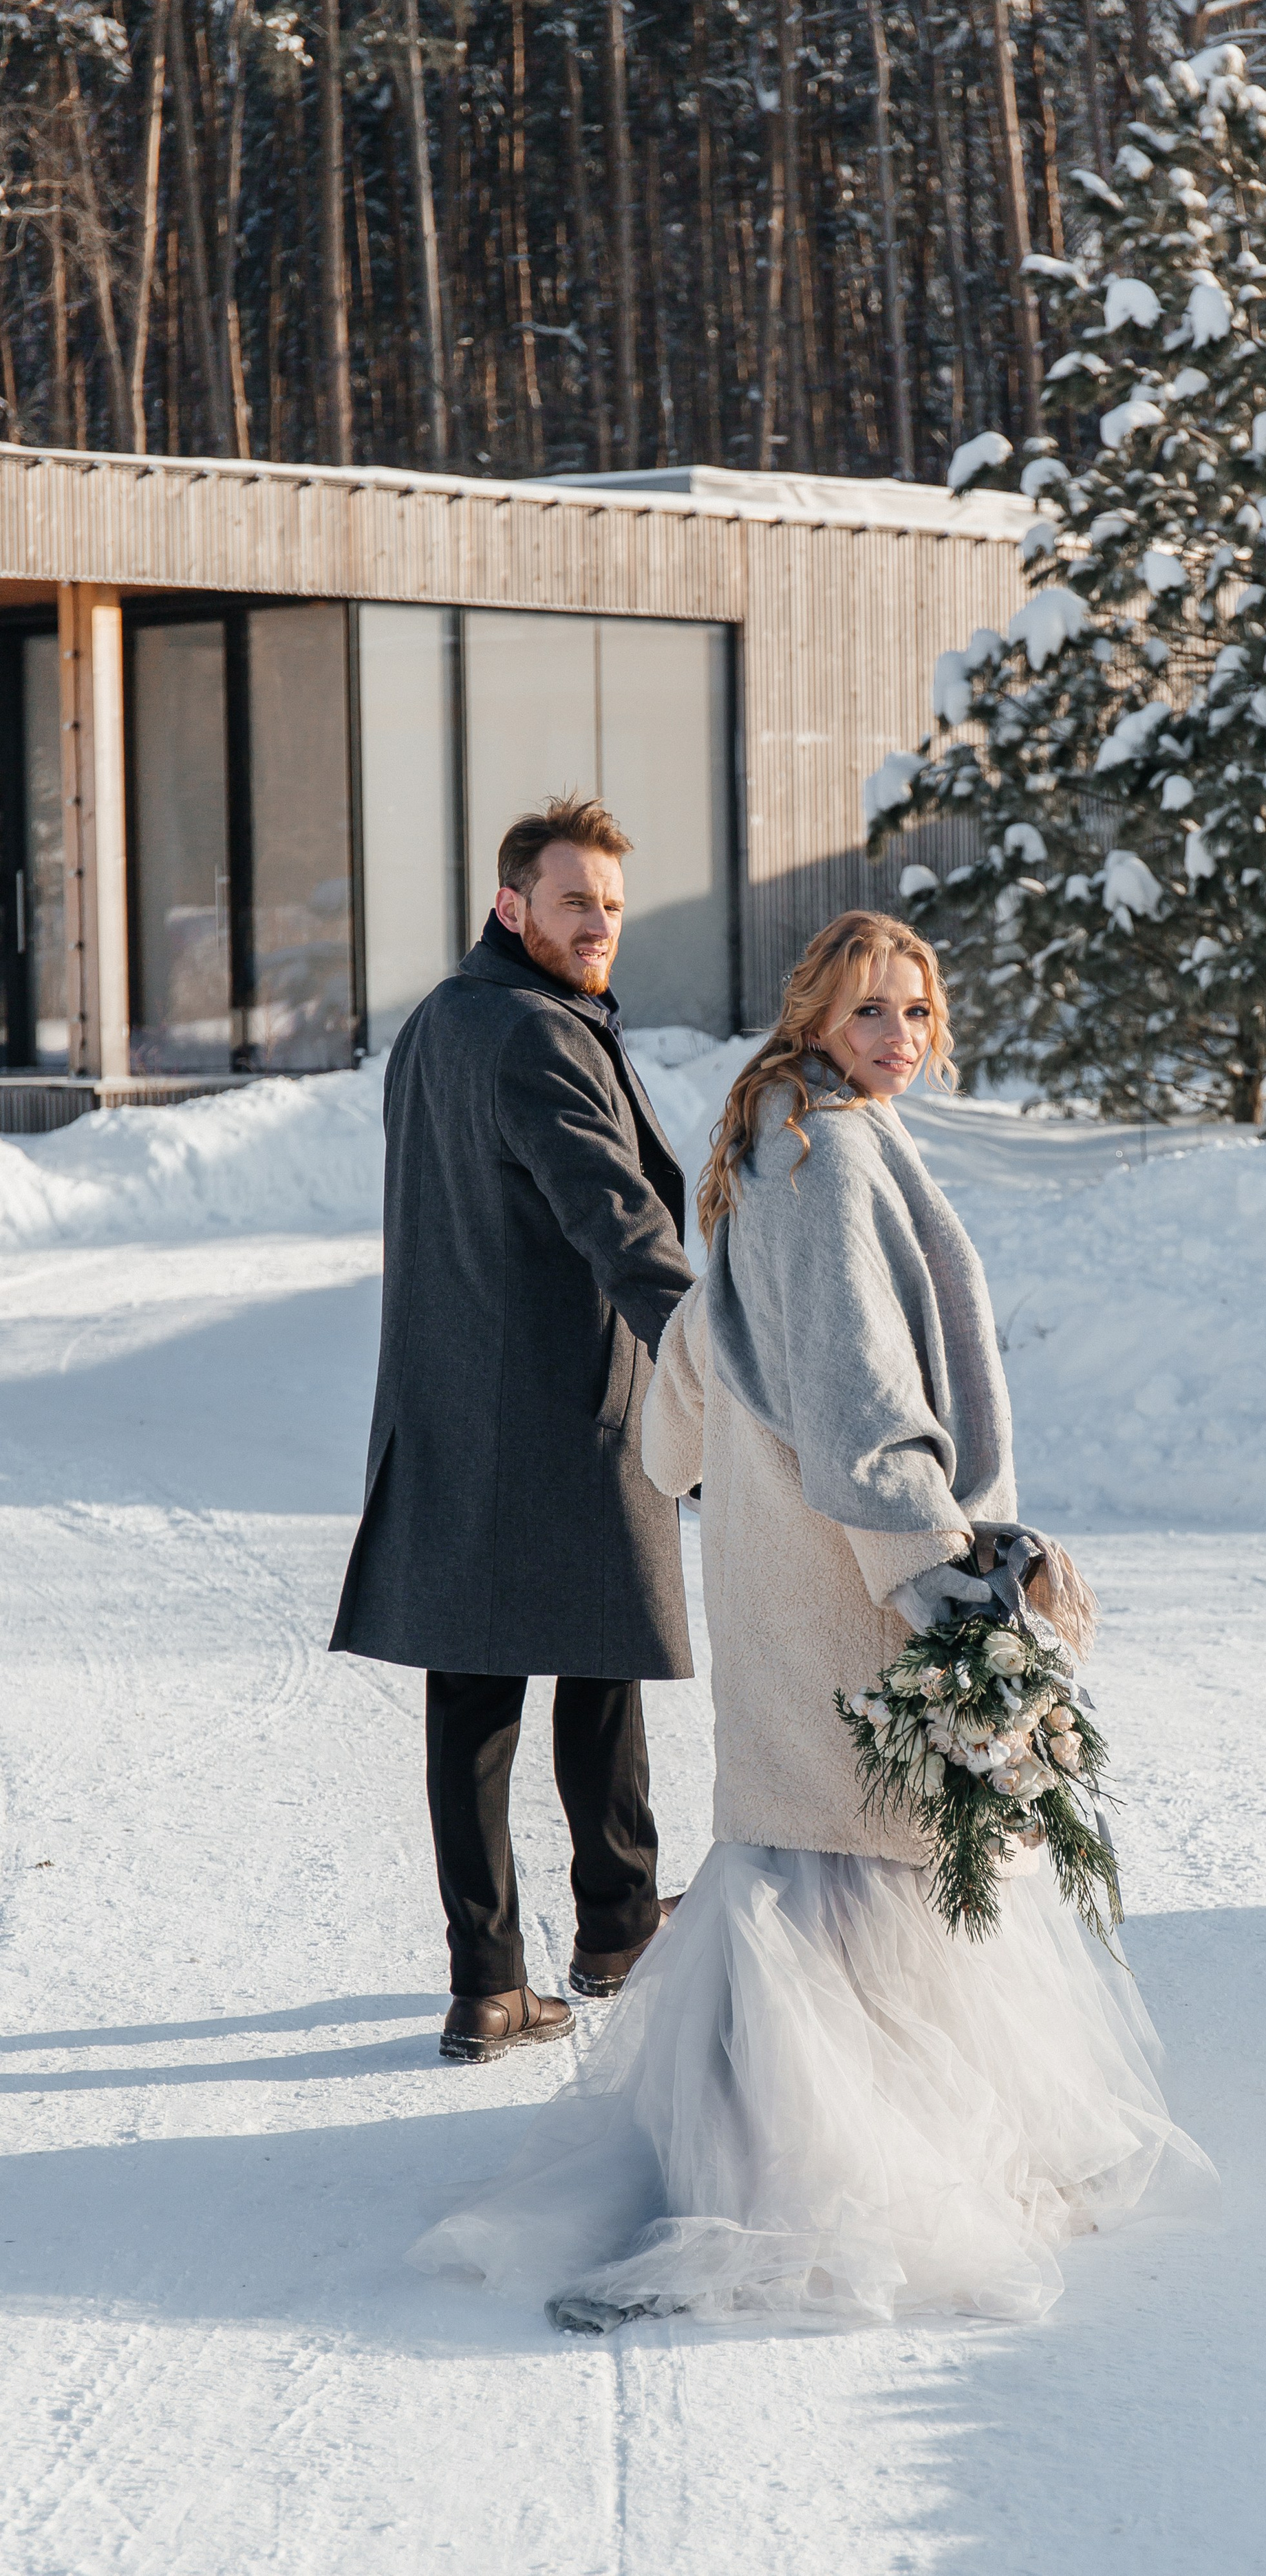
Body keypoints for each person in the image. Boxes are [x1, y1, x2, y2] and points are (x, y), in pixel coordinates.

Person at [409, 910, 1216, 2323]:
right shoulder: (819, 1149)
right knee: (853, 1872)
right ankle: (801, 2192)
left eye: (915, 1011)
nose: (897, 1039)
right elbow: (853, 1394)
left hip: (790, 1565)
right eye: (867, 1015)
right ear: (809, 1021)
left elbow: (699, 1366)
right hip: (850, 1573)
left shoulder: (770, 1136)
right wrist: (936, 1579)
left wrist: (714, 1451)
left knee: (818, 1863)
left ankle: (821, 2153)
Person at [331, 795, 696, 2064]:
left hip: (451, 1399)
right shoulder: (536, 1035)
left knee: (481, 1699)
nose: (598, 925)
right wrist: (707, 1356)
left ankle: (499, 1976)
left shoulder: (442, 1020)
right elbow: (615, 1217)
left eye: (609, 905)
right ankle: (617, 1931)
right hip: (558, 1405)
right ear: (511, 905)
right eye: (572, 902)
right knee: (598, 1675)